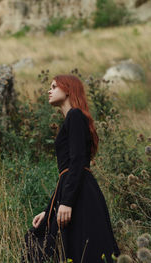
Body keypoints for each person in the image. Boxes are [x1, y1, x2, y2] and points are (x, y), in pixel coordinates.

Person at [22, 75, 121, 263]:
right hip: (75, 189)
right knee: (59, 245)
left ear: (68, 90)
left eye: (53, 86)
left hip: (80, 194)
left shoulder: (75, 115)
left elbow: (77, 161)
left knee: (80, 249)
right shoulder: (71, 119)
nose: (49, 90)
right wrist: (48, 211)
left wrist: (66, 202)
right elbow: (65, 173)